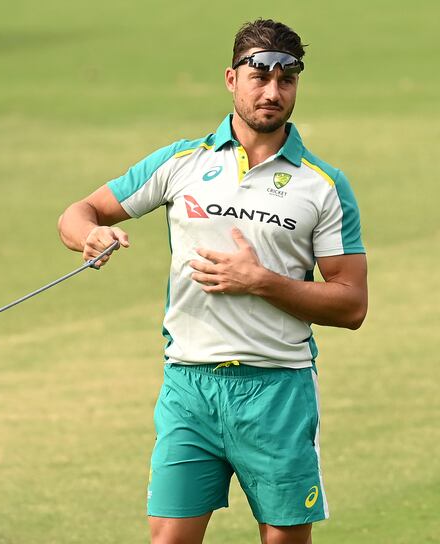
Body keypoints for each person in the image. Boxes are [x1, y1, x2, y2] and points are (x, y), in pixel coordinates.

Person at [57, 19, 367, 544]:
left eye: (286, 80)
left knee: (284, 539)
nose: (272, 92)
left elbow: (351, 304)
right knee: (170, 538)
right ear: (231, 78)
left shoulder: (324, 185)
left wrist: (259, 280)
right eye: (259, 75)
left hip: (277, 388)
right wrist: (90, 234)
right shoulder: (182, 162)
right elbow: (79, 212)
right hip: (189, 384)